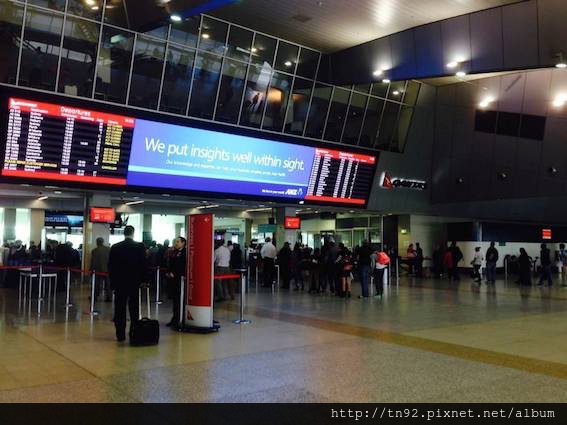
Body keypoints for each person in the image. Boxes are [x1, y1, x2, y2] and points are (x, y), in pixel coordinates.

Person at [108, 225, 147, 342]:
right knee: (134, 308)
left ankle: (120, 334)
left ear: (123, 233)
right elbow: (143, 265)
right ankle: (134, 331)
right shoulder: (140, 247)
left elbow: (111, 267)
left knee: (120, 309)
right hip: (134, 283)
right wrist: (143, 280)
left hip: (120, 283)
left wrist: (113, 283)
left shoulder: (115, 247)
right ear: (133, 233)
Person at [166, 236, 186, 327]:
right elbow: (171, 263)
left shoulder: (185, 253)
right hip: (173, 280)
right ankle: (175, 318)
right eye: (175, 241)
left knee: (179, 300)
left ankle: (179, 319)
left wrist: (175, 273)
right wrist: (169, 272)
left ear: (183, 243)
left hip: (180, 280)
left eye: (178, 242)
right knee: (175, 300)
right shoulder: (174, 252)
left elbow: (182, 266)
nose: (176, 243)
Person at [91, 237, 111, 302]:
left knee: (96, 284)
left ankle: (95, 296)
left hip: (97, 270)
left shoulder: (94, 251)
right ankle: (109, 297)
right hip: (107, 269)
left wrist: (91, 269)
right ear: (103, 242)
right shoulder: (109, 249)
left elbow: (93, 261)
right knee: (108, 284)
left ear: (97, 242)